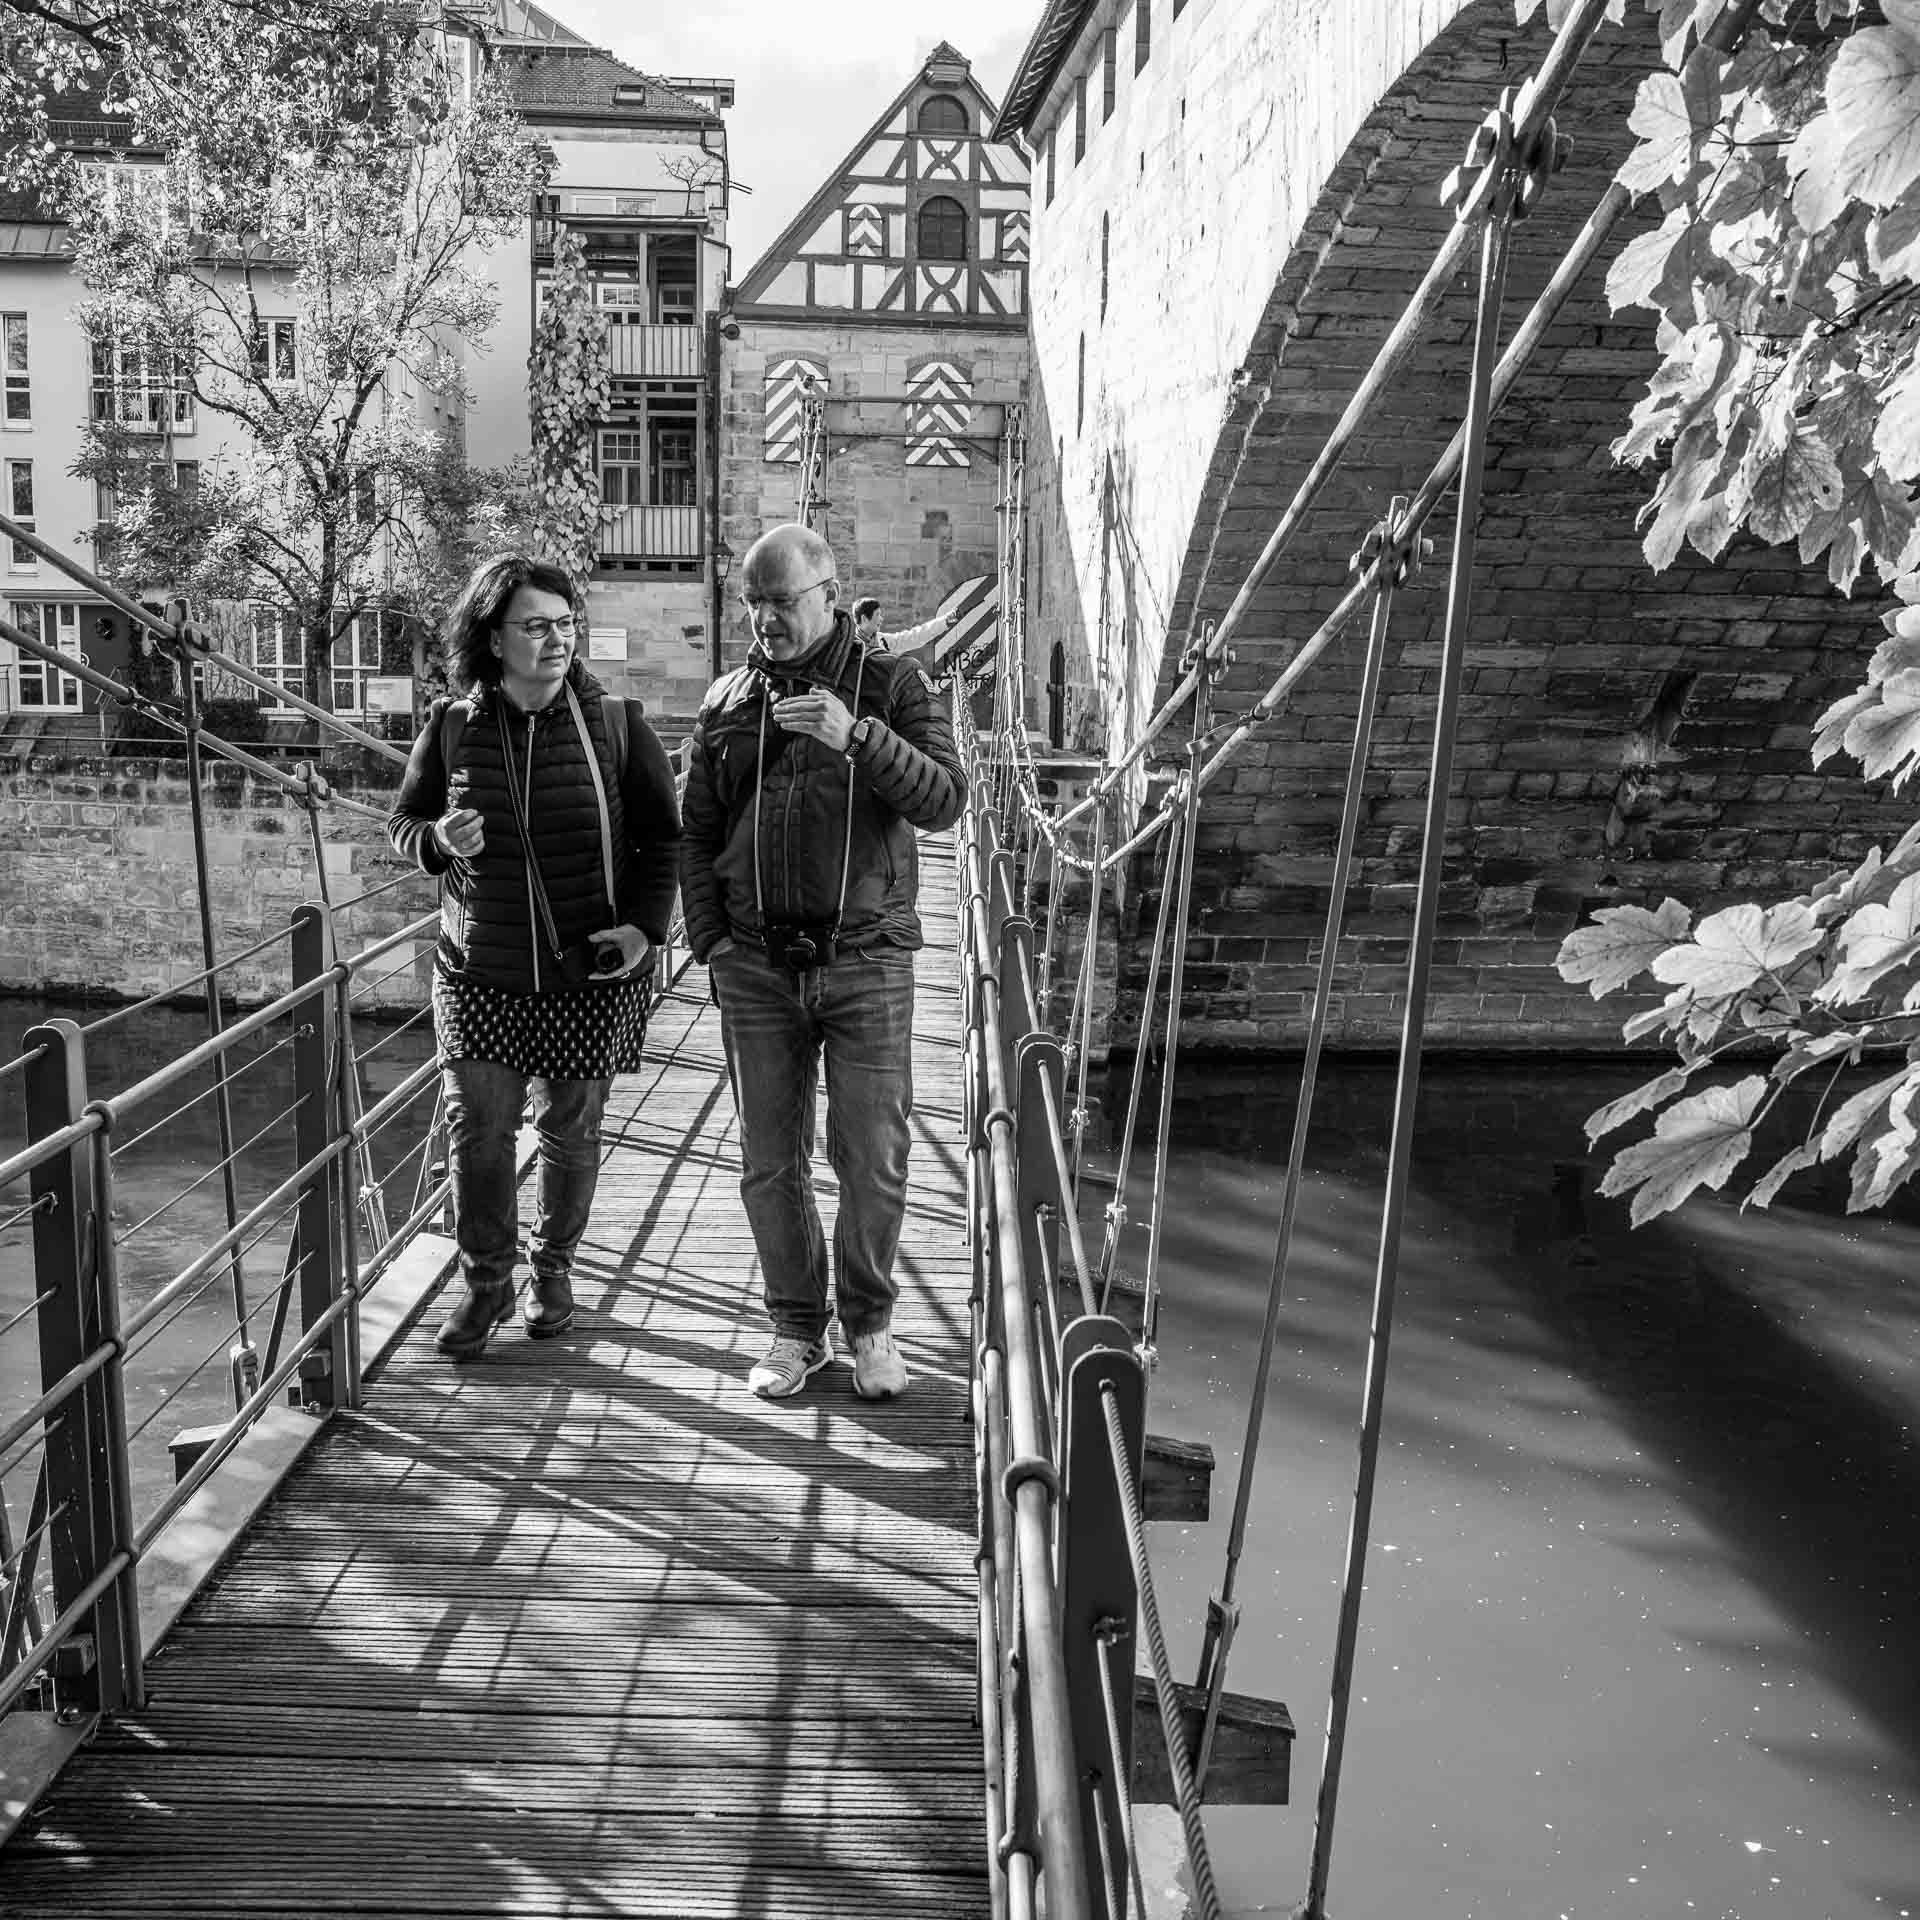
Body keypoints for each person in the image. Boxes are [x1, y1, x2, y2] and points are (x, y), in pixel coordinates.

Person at [681, 525, 966, 1400]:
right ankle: (796, 1330)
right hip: (756, 967)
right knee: (768, 1159)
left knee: (871, 1153)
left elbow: (946, 802)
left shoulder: (892, 682)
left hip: (865, 959)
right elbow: (696, 829)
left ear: (829, 595)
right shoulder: (728, 698)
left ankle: (871, 1324)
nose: (766, 619)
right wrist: (710, 940)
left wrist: (858, 738)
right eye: (755, 603)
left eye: (783, 601)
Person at [389, 555, 683, 1361]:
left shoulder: (618, 724)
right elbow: (406, 823)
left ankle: (553, 1272)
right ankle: (485, 1284)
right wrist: (437, 842)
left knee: (569, 1133)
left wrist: (645, 931)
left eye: (565, 624)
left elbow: (664, 840)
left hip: (586, 970)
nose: (557, 639)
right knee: (477, 1133)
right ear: (493, 637)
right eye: (536, 625)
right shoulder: (451, 728)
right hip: (480, 972)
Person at [851, 594, 959, 667]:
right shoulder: (849, 646)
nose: (881, 619)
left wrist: (946, 621)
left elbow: (914, 637)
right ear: (864, 618)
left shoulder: (883, 641)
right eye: (877, 614)